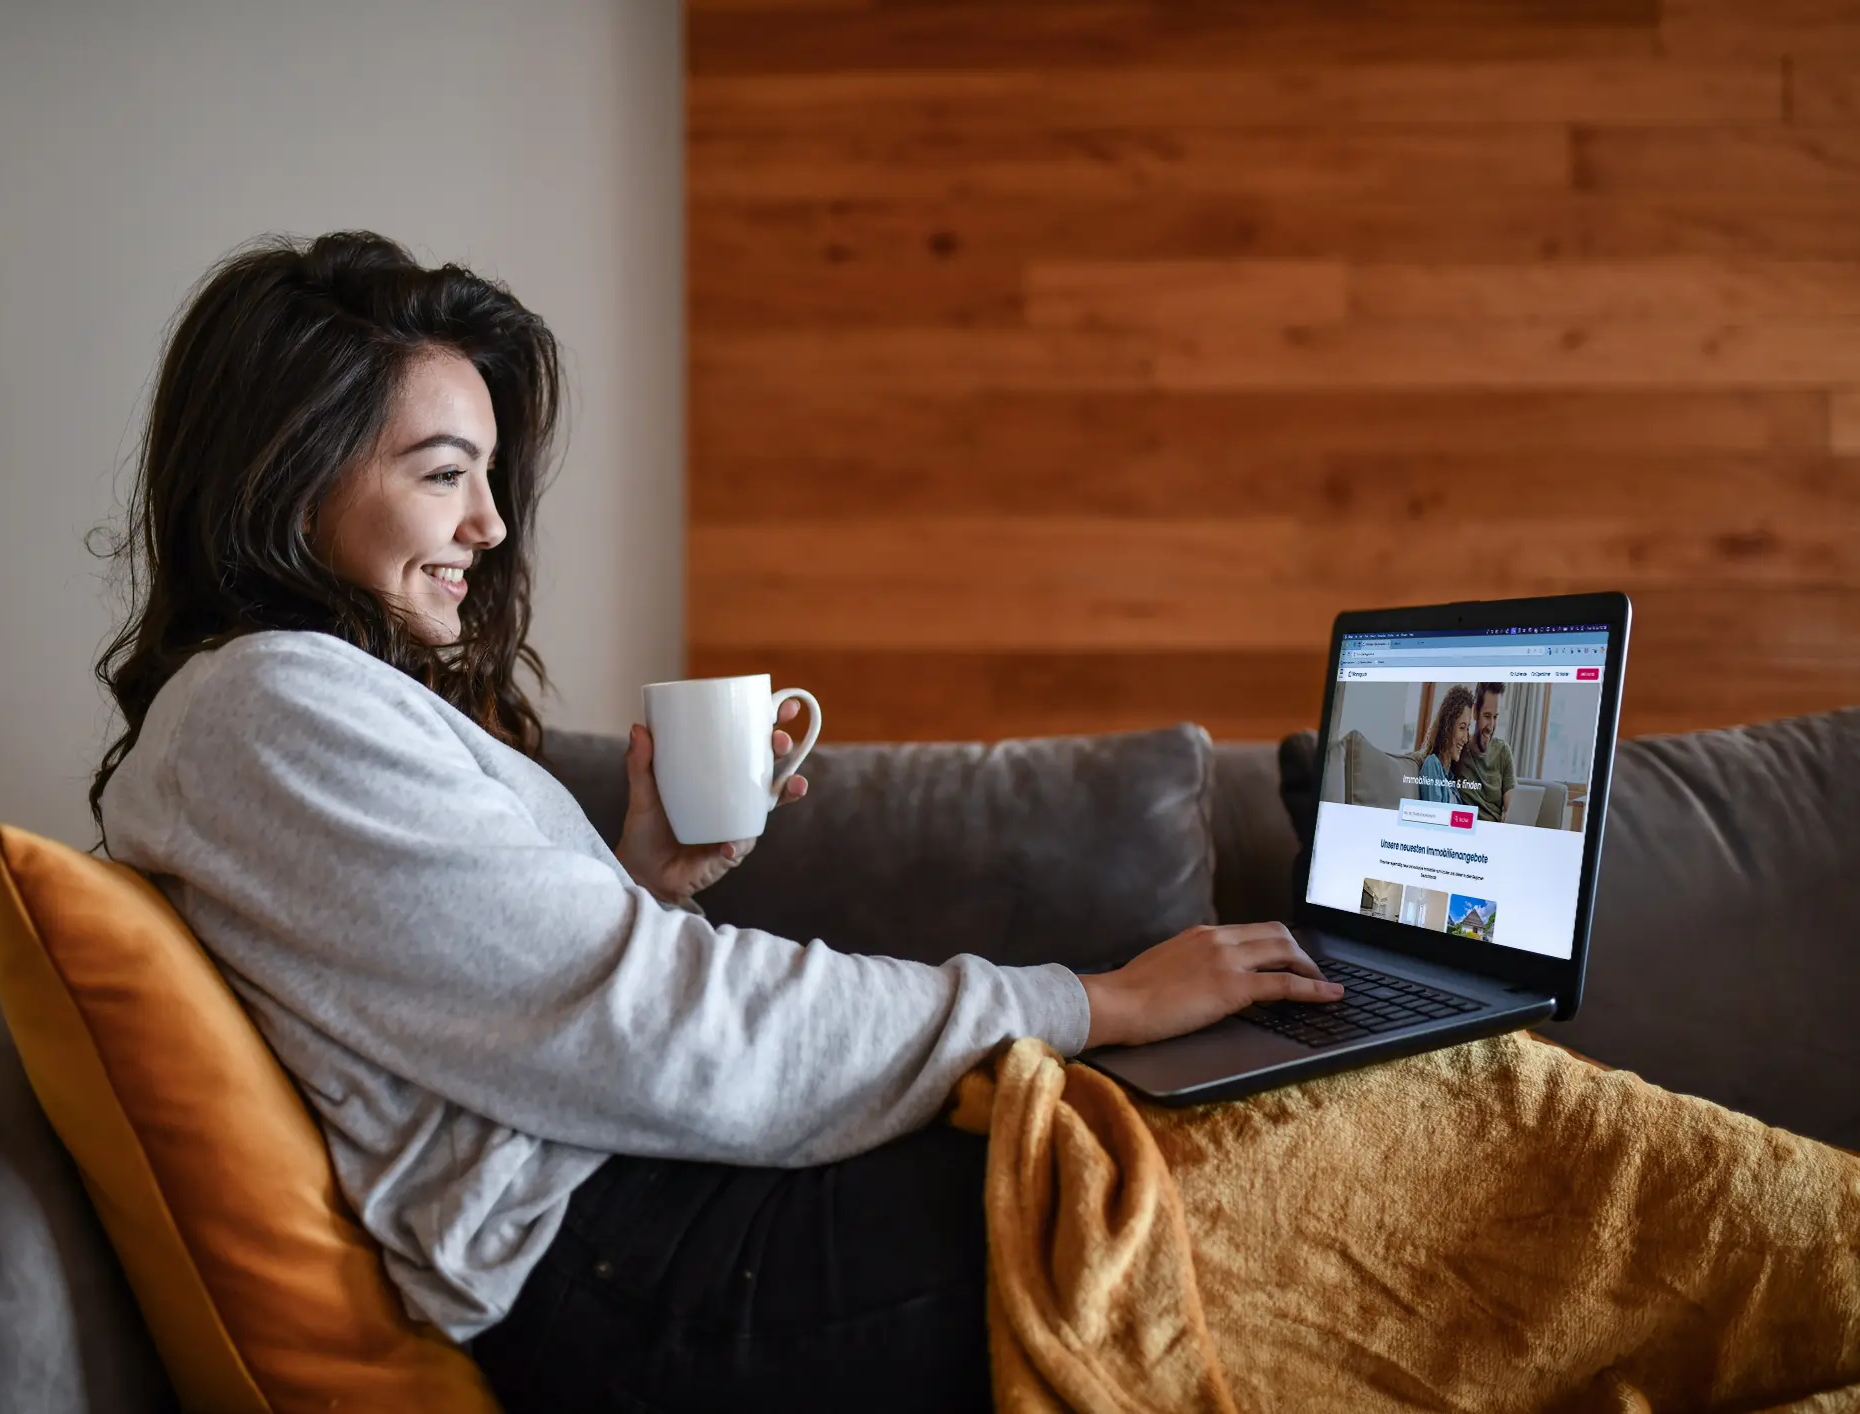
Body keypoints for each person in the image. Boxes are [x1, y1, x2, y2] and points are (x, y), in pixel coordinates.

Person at [87, 232, 1345, 1412]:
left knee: (1236, 1138)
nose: (491, 522)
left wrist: (640, 880)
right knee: (1272, 1195)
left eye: (488, 473)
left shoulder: (287, 703)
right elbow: (657, 1029)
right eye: (443, 474)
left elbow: (513, 1012)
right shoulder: (274, 704)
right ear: (293, 472)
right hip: (648, 1272)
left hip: (656, 1216)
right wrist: (1097, 1001)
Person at [1457, 681, 1518, 823]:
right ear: (1475, 713)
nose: (1491, 726)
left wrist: (1508, 816)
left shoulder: (1503, 751)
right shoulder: (1459, 749)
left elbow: (1512, 807)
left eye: (1495, 717)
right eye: (1487, 716)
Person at [1417, 685, 1476, 805]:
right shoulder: (1432, 765)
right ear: (1448, 727)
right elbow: (1434, 818)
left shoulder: (1450, 777)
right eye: (1462, 727)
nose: (1465, 739)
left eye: (1467, 728)